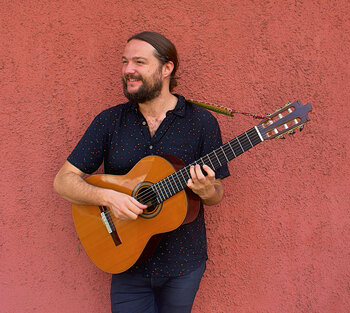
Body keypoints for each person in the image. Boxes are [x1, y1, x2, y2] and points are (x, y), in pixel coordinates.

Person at [53, 31, 230, 313]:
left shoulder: (201, 122)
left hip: (183, 264)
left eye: (139, 62)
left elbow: (216, 192)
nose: (128, 71)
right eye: (125, 62)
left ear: (167, 68)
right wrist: (110, 199)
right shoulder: (110, 121)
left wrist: (208, 191)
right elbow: (63, 182)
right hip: (125, 259)